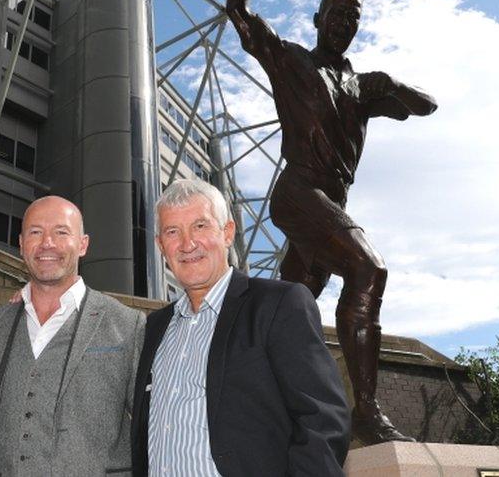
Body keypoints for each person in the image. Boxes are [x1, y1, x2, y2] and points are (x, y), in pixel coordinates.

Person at [226, 0, 438, 444]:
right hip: (300, 193)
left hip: (329, 206)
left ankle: (257, 396)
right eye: (336, 14)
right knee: (367, 268)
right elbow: (238, 10)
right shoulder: (292, 61)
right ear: (317, 19)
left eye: (354, 18)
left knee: (291, 306)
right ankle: (365, 410)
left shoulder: (362, 85)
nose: (345, 24)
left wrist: (391, 86)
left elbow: (427, 105)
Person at [131, 179, 349, 476]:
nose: (187, 243)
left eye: (200, 226)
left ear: (227, 233)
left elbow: (322, 420)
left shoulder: (279, 305)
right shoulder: (154, 328)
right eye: (172, 232)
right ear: (160, 246)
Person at [0, 196, 145, 476]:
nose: (47, 243)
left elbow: (149, 427)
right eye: (35, 232)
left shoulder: (127, 324)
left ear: (83, 244)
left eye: (61, 232)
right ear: (21, 244)